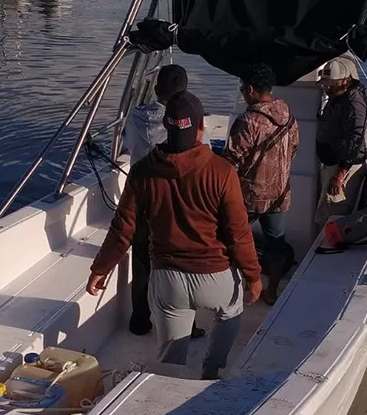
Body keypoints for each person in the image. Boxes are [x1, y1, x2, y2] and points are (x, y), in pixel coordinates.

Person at [87, 91, 262, 380]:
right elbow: (238, 233)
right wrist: (253, 276)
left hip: (168, 281)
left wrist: (100, 269)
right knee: (230, 313)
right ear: (200, 128)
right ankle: (212, 369)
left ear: (167, 127)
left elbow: (123, 228)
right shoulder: (223, 171)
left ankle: (169, 382)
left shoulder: (142, 171)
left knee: (169, 365)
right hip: (216, 276)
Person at [224, 62, 299, 305]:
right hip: (279, 194)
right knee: (276, 245)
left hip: (250, 196)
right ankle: (271, 291)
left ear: (251, 90)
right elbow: (294, 148)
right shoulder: (287, 113)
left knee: (232, 240)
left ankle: (239, 288)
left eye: (243, 88)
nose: (242, 92)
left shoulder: (248, 120)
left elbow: (231, 160)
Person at [122, 63, 188, 334]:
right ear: (184, 92)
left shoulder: (134, 116)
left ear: (157, 88)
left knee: (141, 261)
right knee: (178, 262)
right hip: (172, 202)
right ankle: (180, 324)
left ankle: (139, 319)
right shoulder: (184, 122)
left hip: (141, 199)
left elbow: (128, 143)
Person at [314, 56, 367, 227]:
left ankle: (327, 248)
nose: (327, 88)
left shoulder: (354, 105)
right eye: (325, 84)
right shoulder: (338, 96)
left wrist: (340, 174)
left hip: (341, 168)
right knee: (323, 208)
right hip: (330, 164)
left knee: (332, 213)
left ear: (346, 81)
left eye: (331, 84)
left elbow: (356, 138)